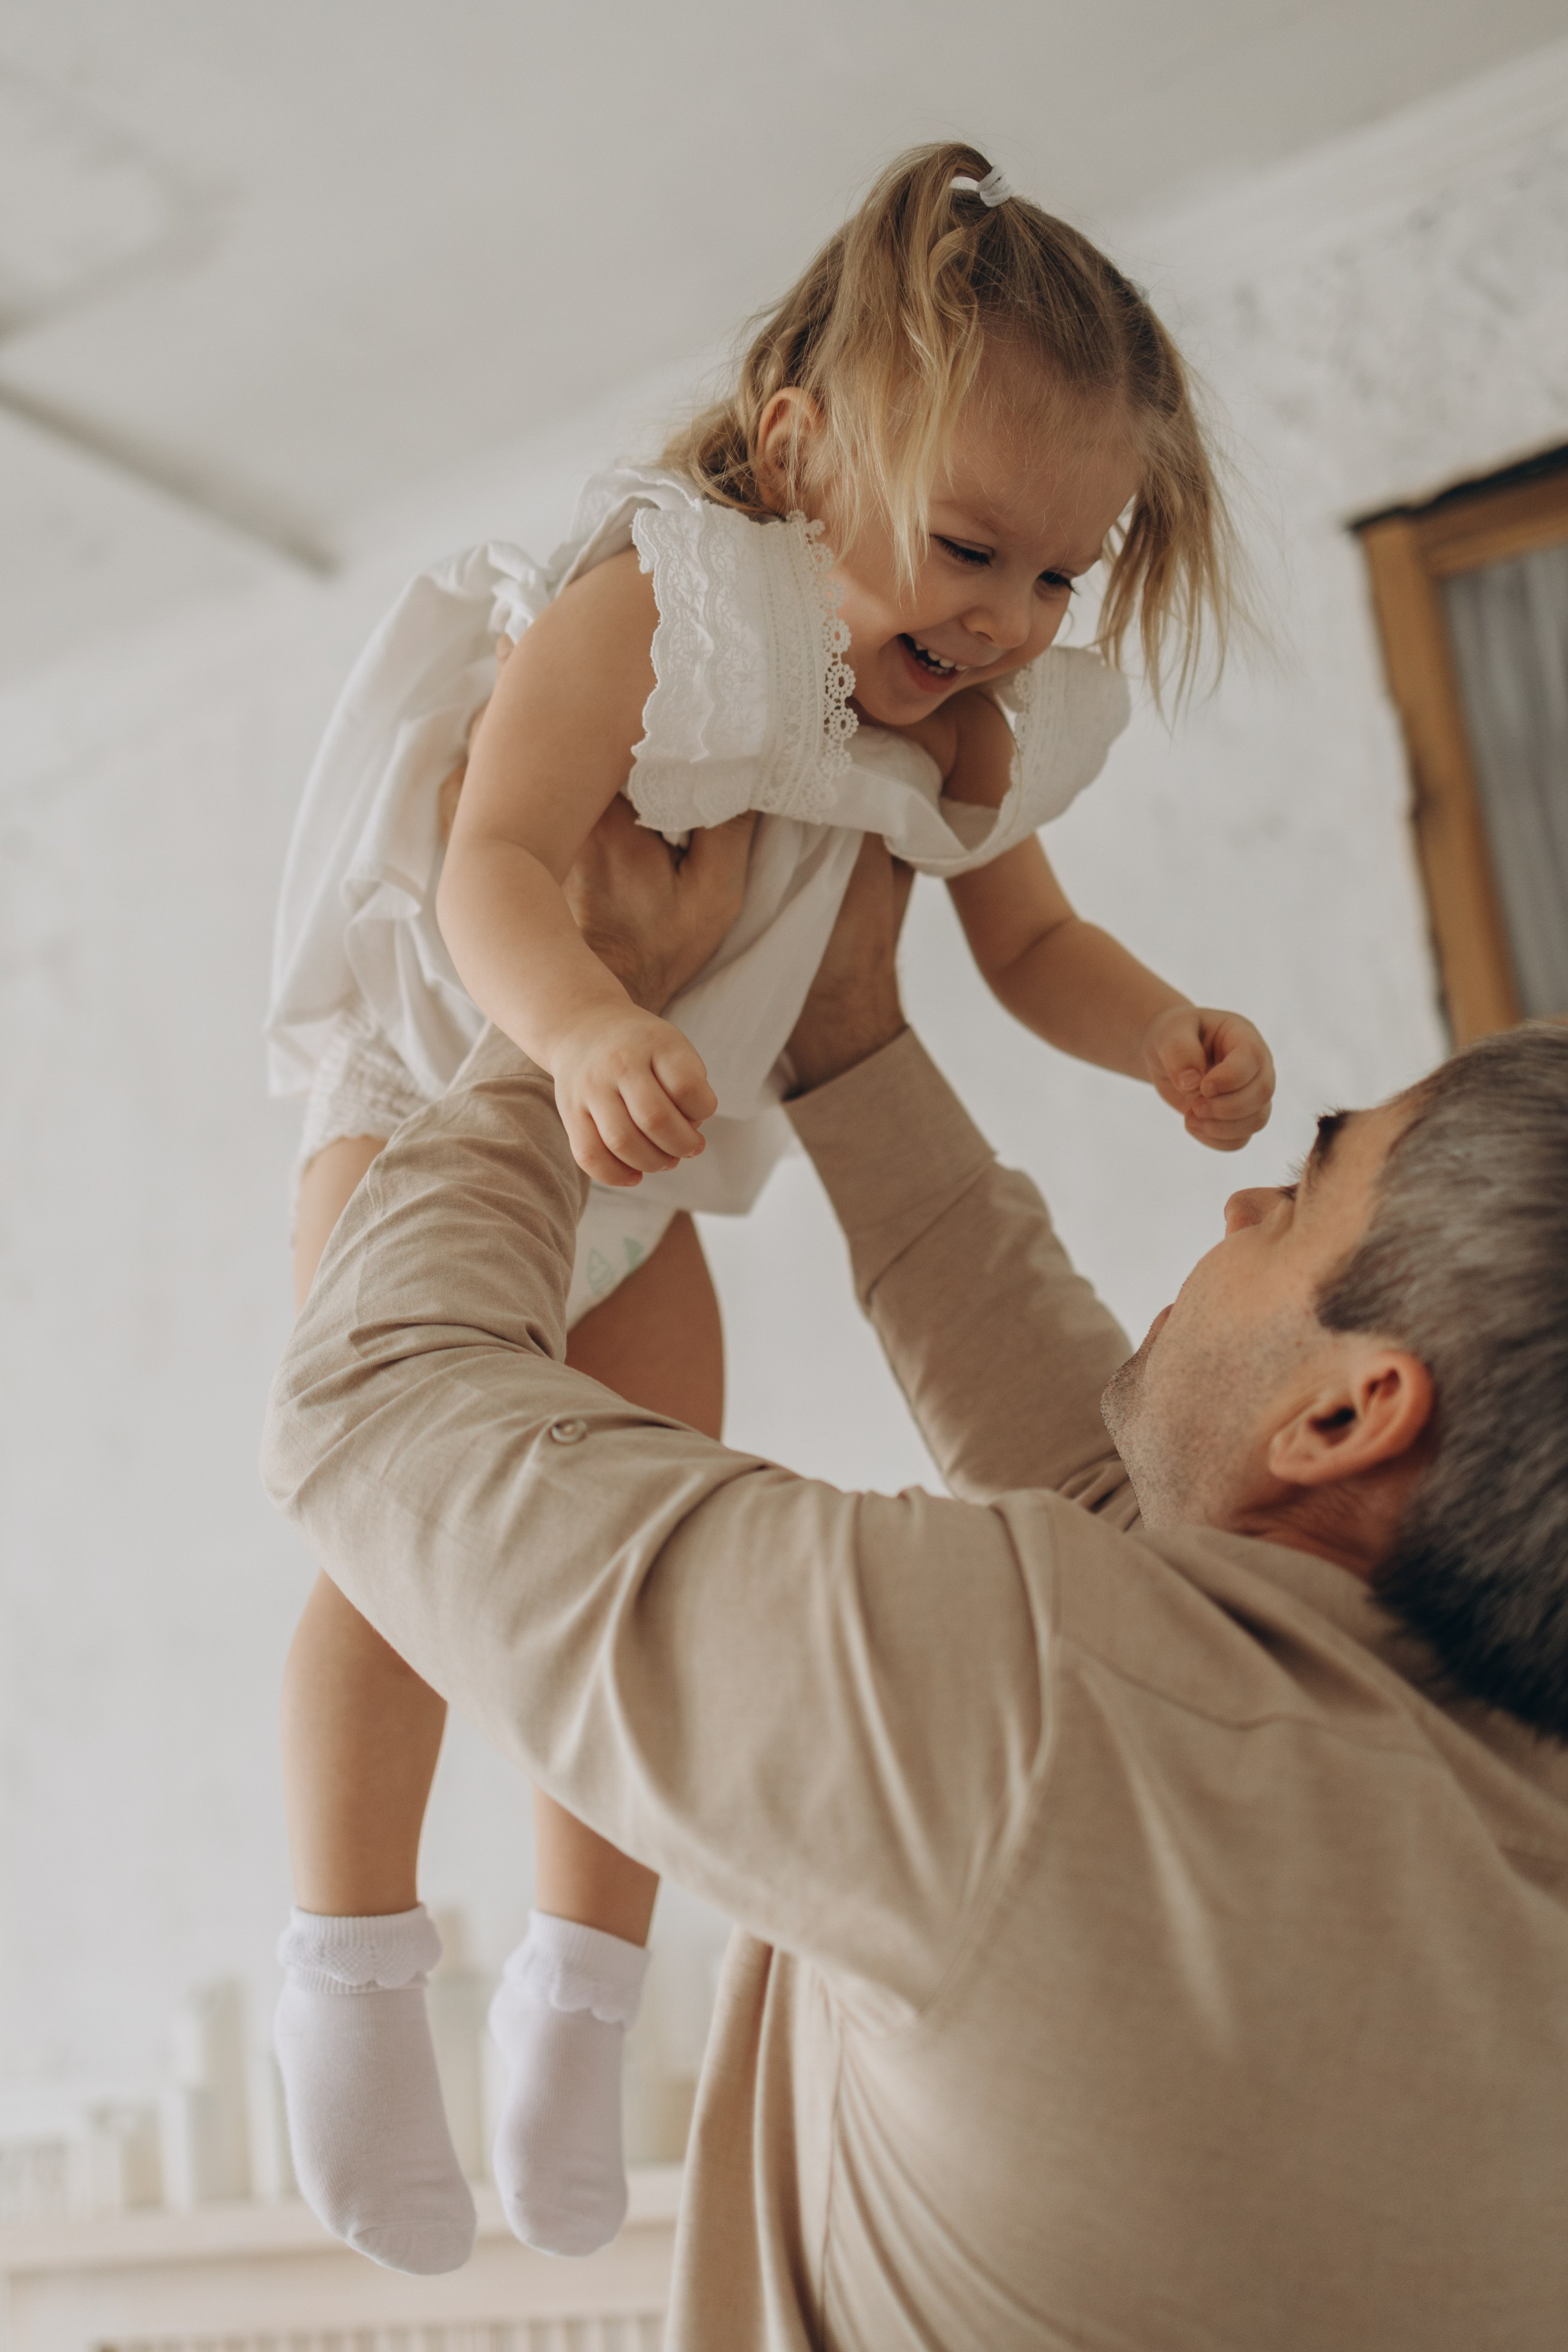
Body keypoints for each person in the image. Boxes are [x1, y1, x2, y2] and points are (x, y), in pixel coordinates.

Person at [264, 141, 1278, 2270]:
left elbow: (1017, 953)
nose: (1002, 617)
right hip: (451, 1079)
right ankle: (349, 1978)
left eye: (1058, 581)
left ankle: (578, 1998)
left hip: (649, 1154)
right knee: (405, 1548)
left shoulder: (960, 719)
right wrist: (570, 1032)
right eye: (969, 546)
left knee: (640, 1520)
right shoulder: (666, 597)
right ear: (804, 448)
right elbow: (492, 864)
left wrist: (1163, 1030)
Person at [264, 813, 1568, 2352]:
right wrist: (849, 1039)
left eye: (1307, 1190)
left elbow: (374, 1398)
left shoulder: (1037, 1718)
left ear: (1344, 1416)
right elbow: (1152, 1548)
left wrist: (579, 1003)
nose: (1245, 1205)